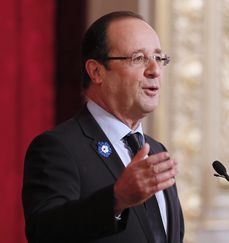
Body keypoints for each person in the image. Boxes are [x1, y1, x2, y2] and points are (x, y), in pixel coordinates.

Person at [22, 11, 184, 243]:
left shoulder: (156, 151)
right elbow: (43, 232)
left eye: (158, 58)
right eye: (138, 58)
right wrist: (116, 199)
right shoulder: (59, 148)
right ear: (96, 71)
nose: (155, 70)